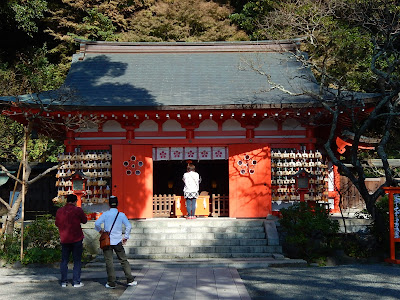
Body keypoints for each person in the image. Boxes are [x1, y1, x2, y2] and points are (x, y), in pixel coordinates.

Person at [94, 196, 137, 288]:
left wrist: (101, 231)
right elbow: (128, 226)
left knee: (109, 261)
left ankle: (111, 282)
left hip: (107, 241)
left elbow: (97, 224)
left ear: (109, 204)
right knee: (123, 260)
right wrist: (126, 237)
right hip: (117, 240)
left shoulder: (105, 214)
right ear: (117, 204)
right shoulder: (121, 215)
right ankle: (130, 279)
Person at [55, 193, 88, 288]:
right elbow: (84, 220)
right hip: (76, 238)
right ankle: (76, 281)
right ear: (75, 201)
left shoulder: (60, 211)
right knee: (77, 261)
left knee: (64, 260)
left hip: (65, 238)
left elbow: (57, 223)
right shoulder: (77, 210)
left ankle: (63, 281)